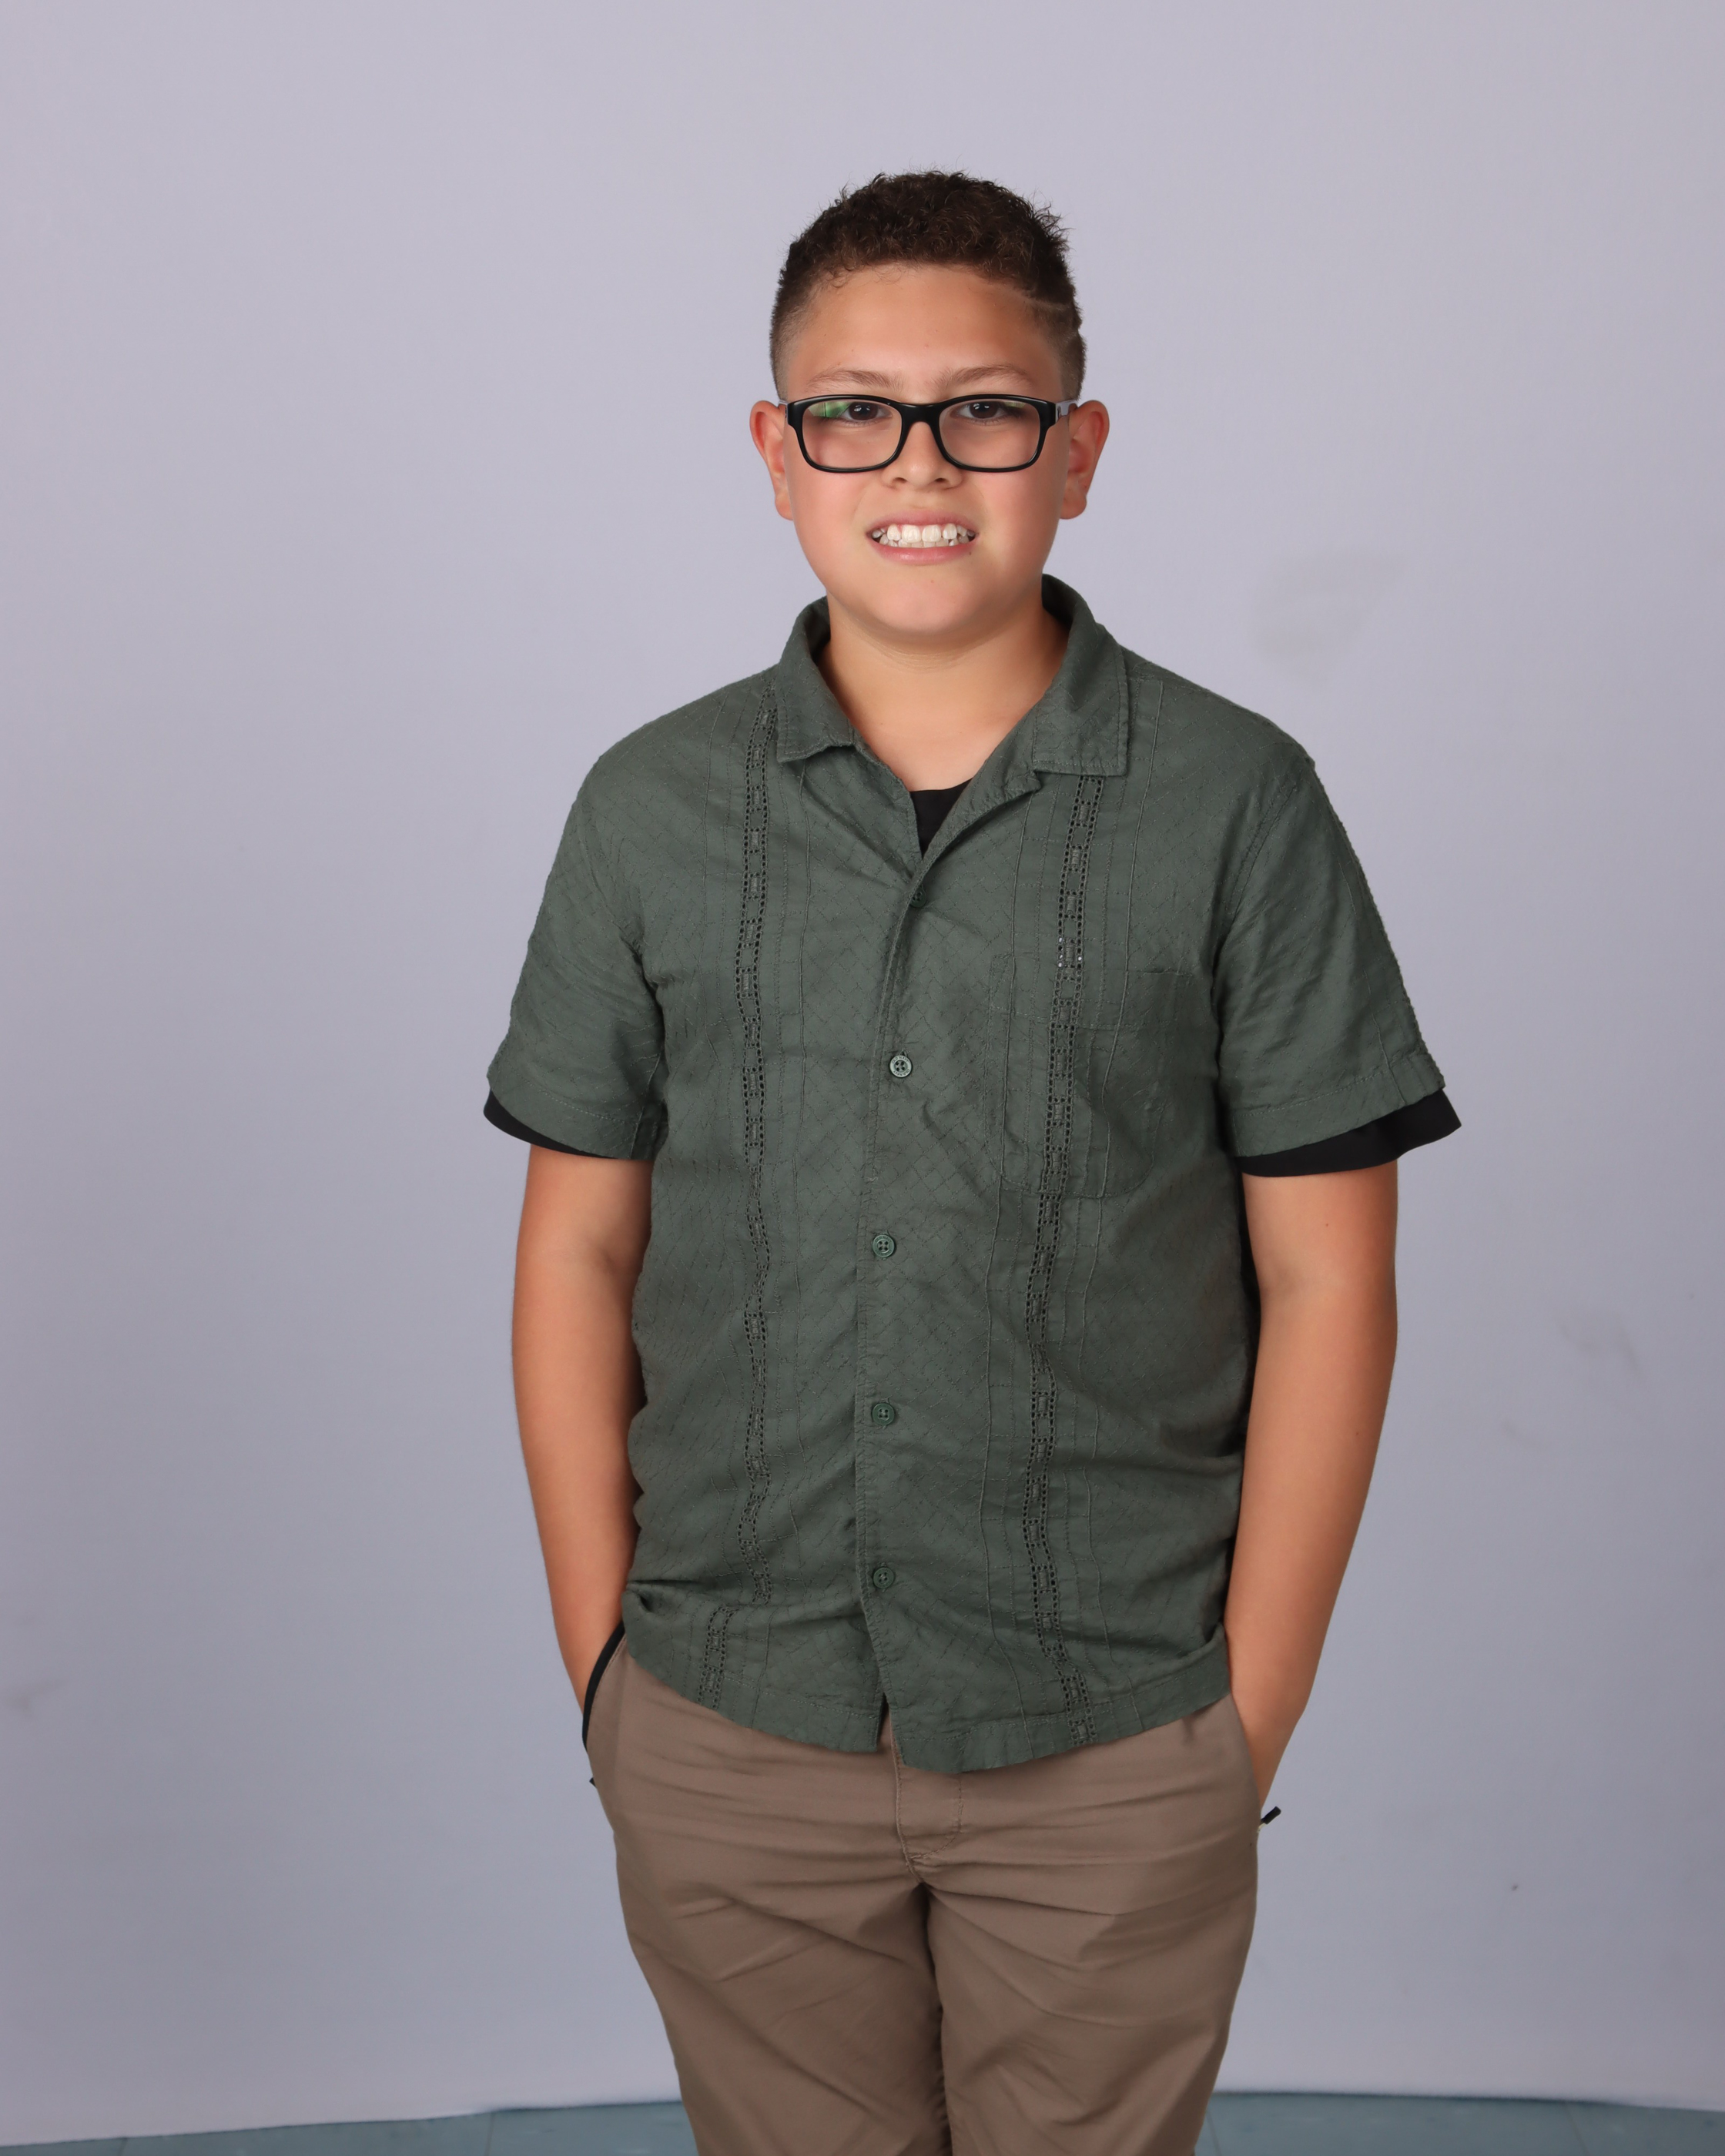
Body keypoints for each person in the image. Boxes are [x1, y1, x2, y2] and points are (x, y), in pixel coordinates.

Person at [484, 170, 1457, 2156]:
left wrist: (1243, 1718)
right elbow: (578, 1251)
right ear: (778, 453)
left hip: (1117, 1726)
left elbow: (1329, 1280)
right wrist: (607, 1678)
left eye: (986, 410)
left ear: (1075, 453)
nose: (919, 462)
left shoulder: (1240, 806)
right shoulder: (648, 809)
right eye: (854, 410)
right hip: (726, 1716)